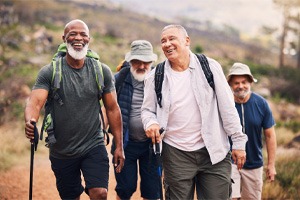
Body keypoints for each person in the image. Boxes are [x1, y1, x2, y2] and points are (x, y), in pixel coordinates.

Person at [141, 24, 248, 200]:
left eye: (172, 39)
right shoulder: (155, 76)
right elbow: (146, 110)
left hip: (214, 151)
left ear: (187, 41)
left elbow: (228, 108)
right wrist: (150, 122)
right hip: (176, 153)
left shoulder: (210, 67)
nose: (167, 44)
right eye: (163, 41)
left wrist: (238, 141)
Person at [24, 19, 125, 200]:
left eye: (83, 34)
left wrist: (119, 146)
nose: (78, 38)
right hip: (62, 150)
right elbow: (34, 102)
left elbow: (112, 109)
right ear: (64, 39)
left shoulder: (102, 71)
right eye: (73, 34)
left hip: (93, 144)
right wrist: (30, 120)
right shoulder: (50, 72)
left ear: (89, 39)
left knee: (100, 193)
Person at [112, 40, 161, 200]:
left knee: (152, 191)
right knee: (124, 189)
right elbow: (108, 107)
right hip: (125, 144)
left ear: (151, 62)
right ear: (130, 61)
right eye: (137, 62)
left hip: (152, 145)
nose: (141, 66)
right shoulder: (119, 79)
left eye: (145, 62)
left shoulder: (160, 79)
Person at [227, 62, 277, 200]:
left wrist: (271, 165)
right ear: (230, 84)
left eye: (244, 82)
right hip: (229, 162)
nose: (240, 86)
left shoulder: (261, 104)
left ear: (250, 82)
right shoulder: (225, 104)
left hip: (254, 163)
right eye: (236, 83)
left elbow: (270, 135)